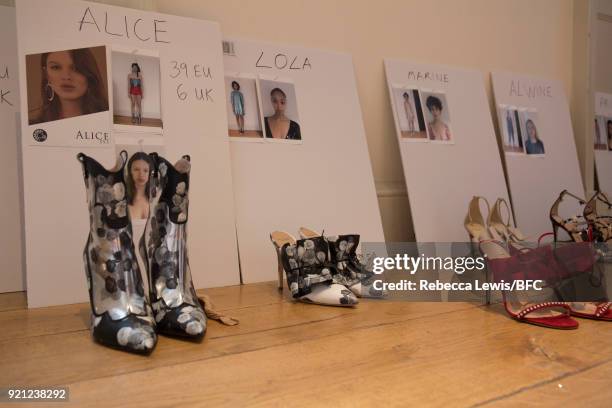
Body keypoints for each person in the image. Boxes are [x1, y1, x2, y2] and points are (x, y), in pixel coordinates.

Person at [30, 48, 108, 125]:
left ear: (89, 75)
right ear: (46, 74)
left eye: (75, 68)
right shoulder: (33, 126)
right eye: (56, 67)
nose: (66, 77)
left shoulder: (107, 120)